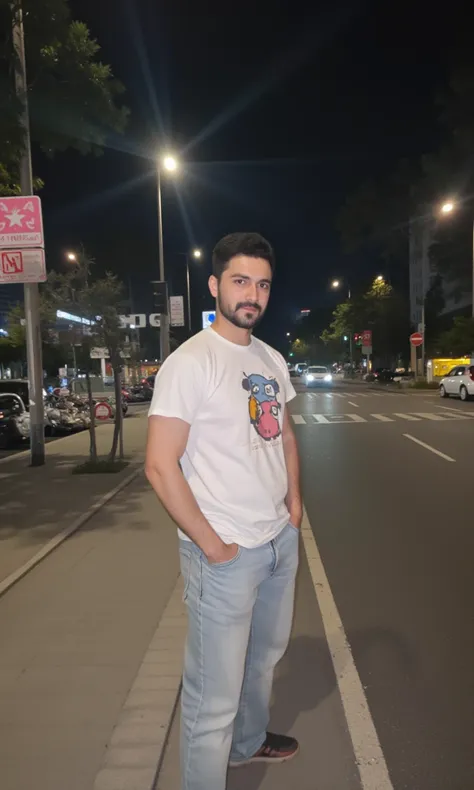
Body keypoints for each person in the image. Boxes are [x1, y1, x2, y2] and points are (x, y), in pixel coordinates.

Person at [145, 232, 302, 790]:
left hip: (278, 541)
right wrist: (213, 546)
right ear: (215, 286)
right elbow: (161, 466)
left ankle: (248, 742)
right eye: (240, 281)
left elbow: (283, 435)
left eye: (261, 283)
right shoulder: (190, 363)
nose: (252, 294)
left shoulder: (270, 357)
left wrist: (295, 508)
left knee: (263, 660)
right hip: (226, 554)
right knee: (212, 698)